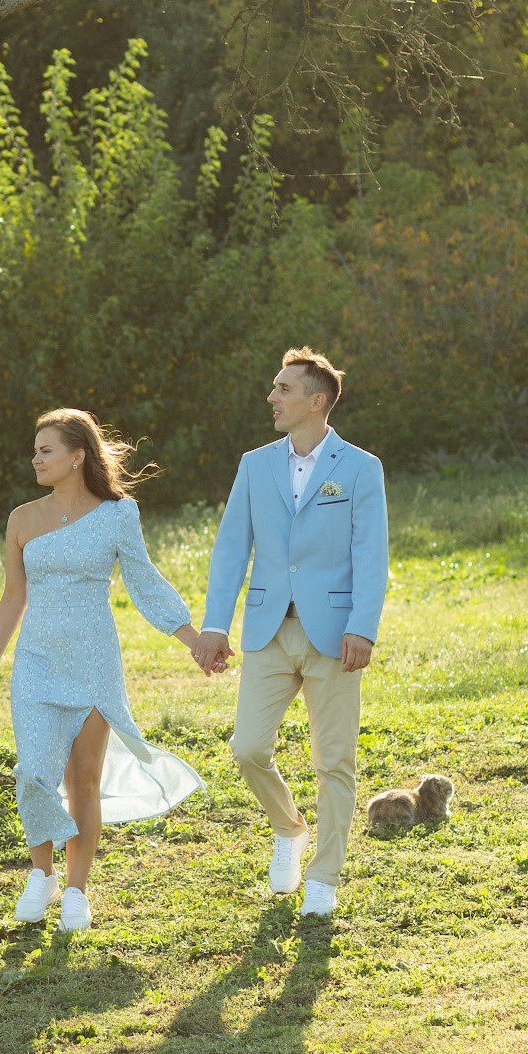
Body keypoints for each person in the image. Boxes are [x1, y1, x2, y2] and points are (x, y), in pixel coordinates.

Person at [0, 408, 211, 932]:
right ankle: (42, 874)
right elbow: (13, 598)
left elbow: (144, 582)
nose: (35, 460)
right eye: (35, 451)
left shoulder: (118, 514)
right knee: (33, 773)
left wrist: (193, 639)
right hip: (36, 662)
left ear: (77, 456)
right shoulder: (21, 518)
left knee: (83, 779)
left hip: (94, 661)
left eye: (46, 451)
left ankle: (77, 890)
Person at [195, 348, 389, 919]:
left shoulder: (361, 468)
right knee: (248, 748)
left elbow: (371, 555)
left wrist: (363, 627)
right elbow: (231, 548)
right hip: (268, 628)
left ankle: (323, 878)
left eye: (283, 389)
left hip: (336, 633)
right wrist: (214, 624)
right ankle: (289, 827)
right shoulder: (254, 465)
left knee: (335, 762)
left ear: (316, 400)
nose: (272, 397)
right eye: (274, 387)